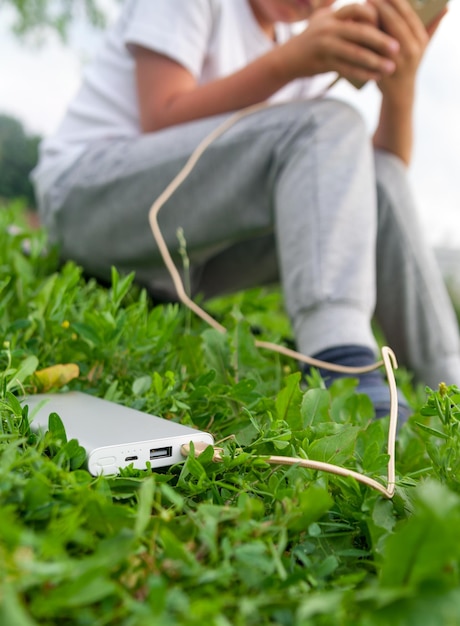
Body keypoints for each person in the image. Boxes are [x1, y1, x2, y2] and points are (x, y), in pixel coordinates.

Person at [32, 0, 460, 418]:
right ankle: (340, 359)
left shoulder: (300, 43)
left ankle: (450, 390)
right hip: (87, 202)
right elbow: (160, 114)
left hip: (178, 259)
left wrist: (399, 86)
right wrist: (287, 63)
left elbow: (370, 191)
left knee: (369, 172)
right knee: (327, 123)